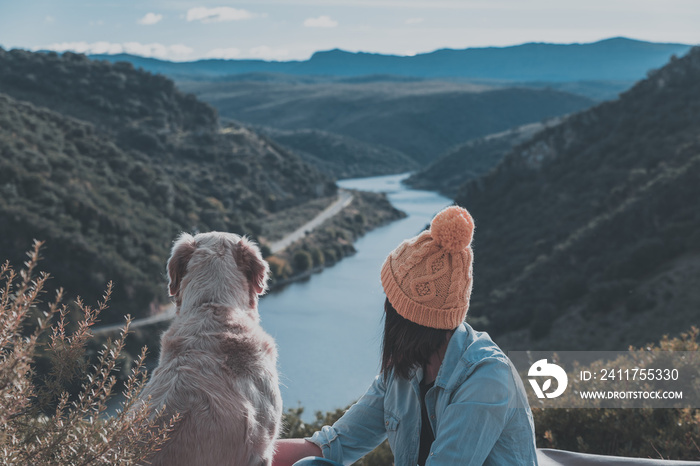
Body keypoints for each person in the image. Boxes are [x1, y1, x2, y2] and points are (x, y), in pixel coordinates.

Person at [273, 206, 538, 466]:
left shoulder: (487, 379)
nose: (385, 309)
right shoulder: (404, 371)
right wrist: (243, 455)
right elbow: (334, 446)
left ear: (410, 318)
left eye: (391, 302)